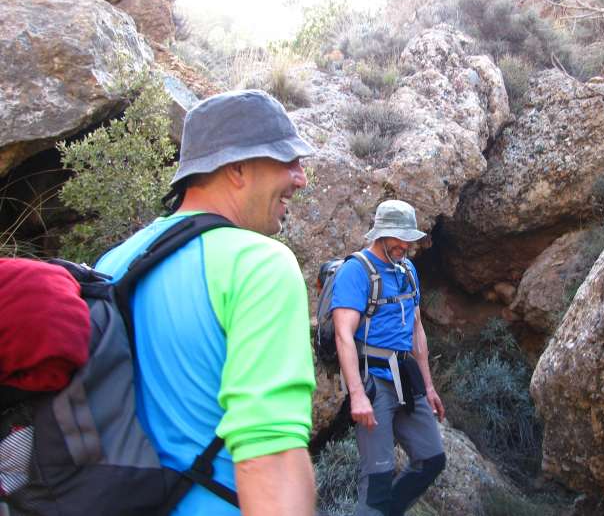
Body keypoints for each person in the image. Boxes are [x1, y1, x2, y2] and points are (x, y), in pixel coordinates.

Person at [96, 90, 317, 516]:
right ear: (237, 168)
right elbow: (269, 459)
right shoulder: (258, 264)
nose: (300, 178)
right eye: (287, 160)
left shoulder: (116, 261)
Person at [330, 200, 446, 516]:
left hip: (406, 376)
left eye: (409, 239)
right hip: (373, 382)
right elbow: (343, 335)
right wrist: (357, 395)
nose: (405, 245)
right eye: (398, 238)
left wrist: (429, 386)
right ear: (380, 233)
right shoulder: (355, 271)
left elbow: (417, 329)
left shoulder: (407, 270)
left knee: (432, 459)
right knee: (378, 482)